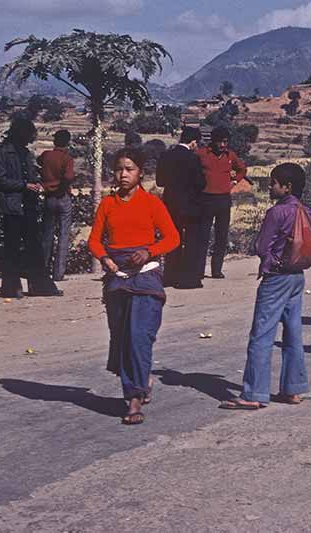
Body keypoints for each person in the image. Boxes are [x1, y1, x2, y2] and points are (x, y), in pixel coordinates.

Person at [88, 147, 181, 425]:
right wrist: (104, 258)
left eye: (129, 169)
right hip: (117, 278)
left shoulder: (152, 203)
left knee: (138, 336)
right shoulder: (107, 204)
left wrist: (150, 252)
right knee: (122, 338)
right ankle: (141, 381)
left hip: (146, 277)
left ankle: (134, 400)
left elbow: (172, 238)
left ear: (140, 173)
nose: (123, 174)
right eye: (119, 169)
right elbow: (94, 240)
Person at [220, 163, 311, 409]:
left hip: (276, 277)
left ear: (287, 187)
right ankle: (292, 389)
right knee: (293, 333)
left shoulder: (277, 212)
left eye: (274, 183)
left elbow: (262, 247)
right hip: (297, 276)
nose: (271, 186)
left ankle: (254, 394)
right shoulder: (305, 211)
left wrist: (271, 260)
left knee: (262, 334)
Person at [0, 116, 61, 298]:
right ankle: (11, 288)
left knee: (34, 247)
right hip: (12, 206)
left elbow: (30, 175)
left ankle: (40, 286)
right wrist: (24, 185)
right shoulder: (1, 153)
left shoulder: (25, 153)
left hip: (28, 205)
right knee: (12, 248)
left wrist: (36, 183)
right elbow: (0, 181)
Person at [156, 127, 206, 289]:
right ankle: (188, 279)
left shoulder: (166, 156)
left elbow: (160, 182)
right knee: (191, 241)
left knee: (172, 239)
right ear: (193, 142)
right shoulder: (193, 159)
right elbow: (201, 184)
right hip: (191, 206)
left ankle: (170, 276)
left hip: (170, 203)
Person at [197, 126, 247, 280]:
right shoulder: (201, 154)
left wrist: (234, 181)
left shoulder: (230, 155)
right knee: (203, 235)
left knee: (221, 235)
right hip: (205, 199)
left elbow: (242, 170)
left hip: (224, 199)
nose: (223, 145)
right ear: (213, 141)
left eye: (225, 142)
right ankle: (198, 270)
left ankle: (216, 270)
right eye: (220, 142)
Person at [38, 129, 75, 282]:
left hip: (48, 197)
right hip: (62, 196)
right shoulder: (67, 158)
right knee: (64, 235)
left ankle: (43, 271)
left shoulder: (46, 155)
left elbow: (39, 162)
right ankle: (58, 274)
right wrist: (61, 190)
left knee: (47, 235)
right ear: (68, 142)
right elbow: (68, 177)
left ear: (54, 141)